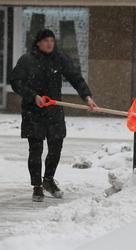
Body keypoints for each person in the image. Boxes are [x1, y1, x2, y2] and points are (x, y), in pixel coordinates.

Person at [10, 29, 97, 202]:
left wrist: (87, 97)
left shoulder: (59, 58)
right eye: (46, 40)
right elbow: (16, 82)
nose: (50, 43)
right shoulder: (27, 60)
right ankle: (37, 187)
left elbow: (75, 78)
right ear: (38, 43)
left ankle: (48, 180)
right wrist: (33, 96)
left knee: (56, 148)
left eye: (52, 40)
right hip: (33, 111)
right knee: (36, 150)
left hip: (54, 110)